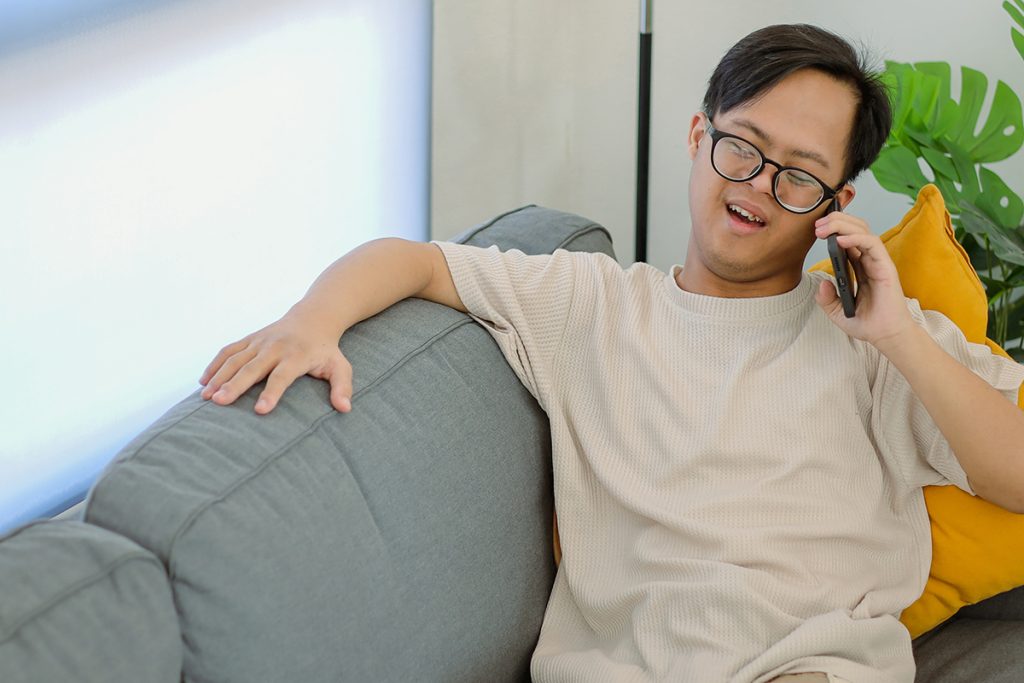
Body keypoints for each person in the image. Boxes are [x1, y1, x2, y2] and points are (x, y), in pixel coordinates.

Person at [197, 24, 1024, 683]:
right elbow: (414, 261)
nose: (756, 185)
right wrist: (312, 321)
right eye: (743, 145)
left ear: (834, 204)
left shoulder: (882, 334)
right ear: (699, 135)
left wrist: (897, 336)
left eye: (798, 175)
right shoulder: (589, 304)